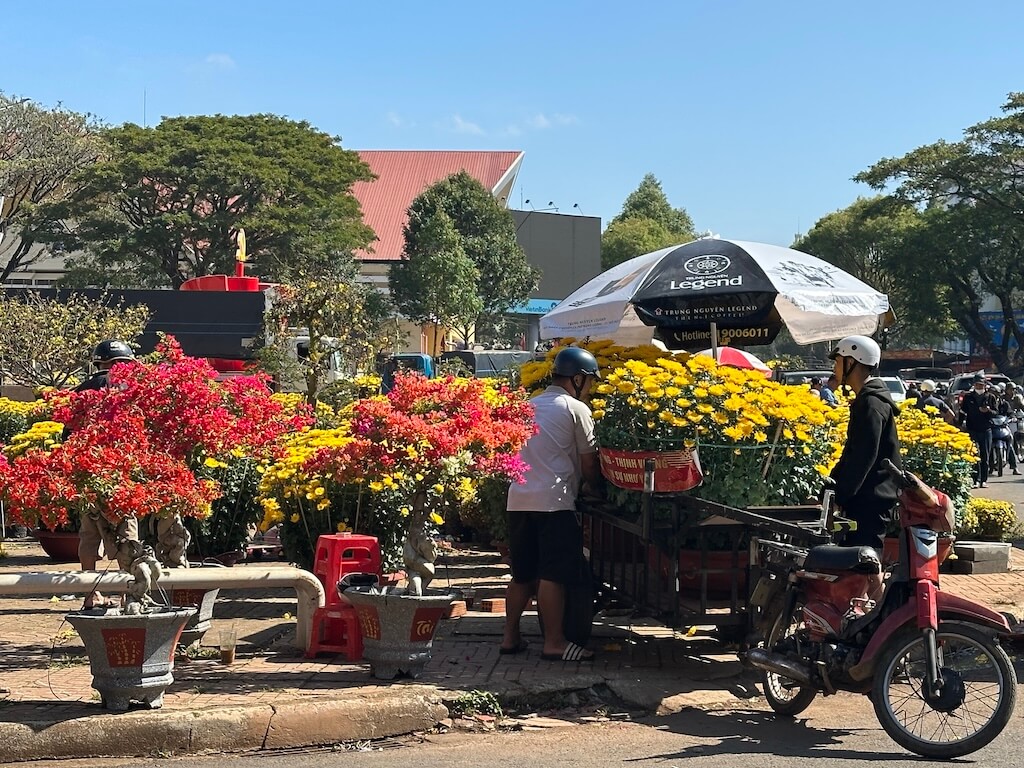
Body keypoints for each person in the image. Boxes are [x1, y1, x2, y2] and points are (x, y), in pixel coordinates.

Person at [502, 347, 601, 662]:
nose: (590, 389)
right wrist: (596, 488)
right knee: (552, 574)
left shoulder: (527, 406)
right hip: (554, 502)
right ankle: (555, 643)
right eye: (589, 382)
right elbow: (589, 464)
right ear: (577, 378)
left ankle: (510, 637)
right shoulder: (575, 409)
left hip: (518, 499)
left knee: (522, 574)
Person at [73, 340, 141, 609]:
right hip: (122, 470)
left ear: (99, 362)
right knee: (127, 531)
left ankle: (91, 594)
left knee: (89, 533)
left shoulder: (85, 388)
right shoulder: (135, 388)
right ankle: (128, 594)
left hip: (89, 471)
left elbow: (68, 431)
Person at [828, 335, 902, 554]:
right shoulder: (869, 399)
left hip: (872, 497)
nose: (835, 368)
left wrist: (841, 495)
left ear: (851, 362)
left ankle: (872, 590)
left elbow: (863, 455)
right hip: (869, 495)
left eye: (838, 360)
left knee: (866, 560)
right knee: (862, 557)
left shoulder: (871, 403)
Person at [959, 373, 999, 488]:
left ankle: (984, 480)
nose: (979, 387)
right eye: (977, 384)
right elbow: (962, 412)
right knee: (975, 456)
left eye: (981, 384)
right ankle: (976, 480)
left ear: (985, 385)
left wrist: (988, 411)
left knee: (985, 456)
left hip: (986, 430)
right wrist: (960, 425)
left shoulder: (990, 397)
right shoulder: (968, 397)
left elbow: (996, 413)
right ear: (974, 385)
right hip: (972, 429)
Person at [993, 383, 1021, 475]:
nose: (995, 395)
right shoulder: (988, 403)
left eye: (996, 393)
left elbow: (1010, 413)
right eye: (993, 393)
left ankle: (1014, 467)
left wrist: (1012, 417)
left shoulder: (1004, 403)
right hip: (992, 427)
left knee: (1010, 440)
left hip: (1003, 426)